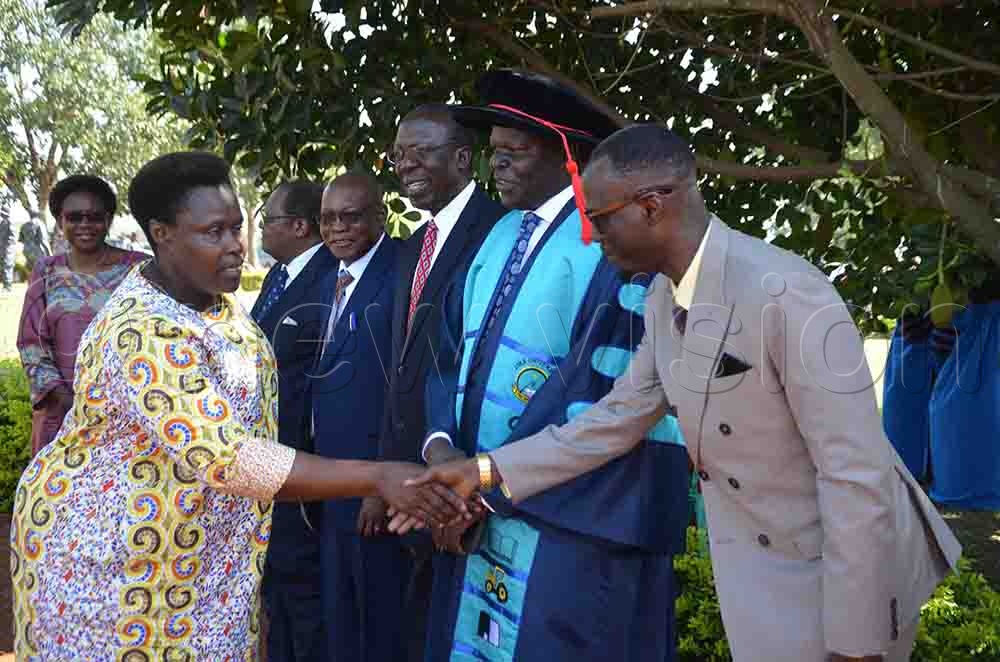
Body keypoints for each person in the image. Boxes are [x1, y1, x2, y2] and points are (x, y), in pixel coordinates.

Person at [414, 125, 962, 662]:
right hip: (761, 563)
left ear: (652, 206)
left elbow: (854, 475)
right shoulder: (661, 298)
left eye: (600, 219)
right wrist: (483, 471)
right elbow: (616, 419)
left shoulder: (787, 292)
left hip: (841, 572)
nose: (592, 235)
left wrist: (857, 642)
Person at [9, 152, 467, 661]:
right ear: (161, 234)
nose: (235, 247)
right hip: (114, 563)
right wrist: (379, 477)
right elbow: (230, 458)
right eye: (213, 233)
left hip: (199, 557)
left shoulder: (214, 302)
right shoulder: (141, 329)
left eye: (235, 228)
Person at [407, 71, 690, 662]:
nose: (497, 168)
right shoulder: (500, 232)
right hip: (474, 504)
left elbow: (604, 389)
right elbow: (446, 353)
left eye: (514, 153)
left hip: (569, 522)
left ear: (566, 157)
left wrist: (484, 489)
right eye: (493, 155)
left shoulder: (614, 244)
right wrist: (441, 452)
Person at [378, 103, 505, 660]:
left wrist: (456, 467)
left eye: (420, 152)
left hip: (466, 477)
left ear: (461, 158)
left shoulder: (499, 233)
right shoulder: (411, 245)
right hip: (409, 470)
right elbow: (403, 365)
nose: (406, 165)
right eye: (398, 154)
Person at [309, 171, 410, 661]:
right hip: (331, 480)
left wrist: (377, 484)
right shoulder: (332, 278)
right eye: (328, 218)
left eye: (350, 216)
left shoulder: (402, 274)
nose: (337, 228)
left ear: (380, 216)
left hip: (375, 484)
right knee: (342, 616)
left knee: (380, 619)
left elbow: (402, 387)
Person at [252, 181, 336, 662]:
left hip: (300, 462)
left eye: (268, 220)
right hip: (265, 461)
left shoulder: (329, 280)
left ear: (299, 226)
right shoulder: (278, 277)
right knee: (277, 588)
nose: (261, 229)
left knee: (301, 587)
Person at [16, 174, 147, 456]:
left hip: (131, 414)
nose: (85, 225)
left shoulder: (139, 269)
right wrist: (67, 401)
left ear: (109, 219)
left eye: (94, 216)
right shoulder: (46, 271)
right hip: (63, 414)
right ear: (60, 221)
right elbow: (31, 342)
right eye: (74, 217)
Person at [1, 172, 16, 291]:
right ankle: (7, 284)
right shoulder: (10, 191)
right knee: (7, 257)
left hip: (6, 224)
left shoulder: (6, 191)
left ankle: (7, 285)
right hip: (8, 223)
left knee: (7, 257)